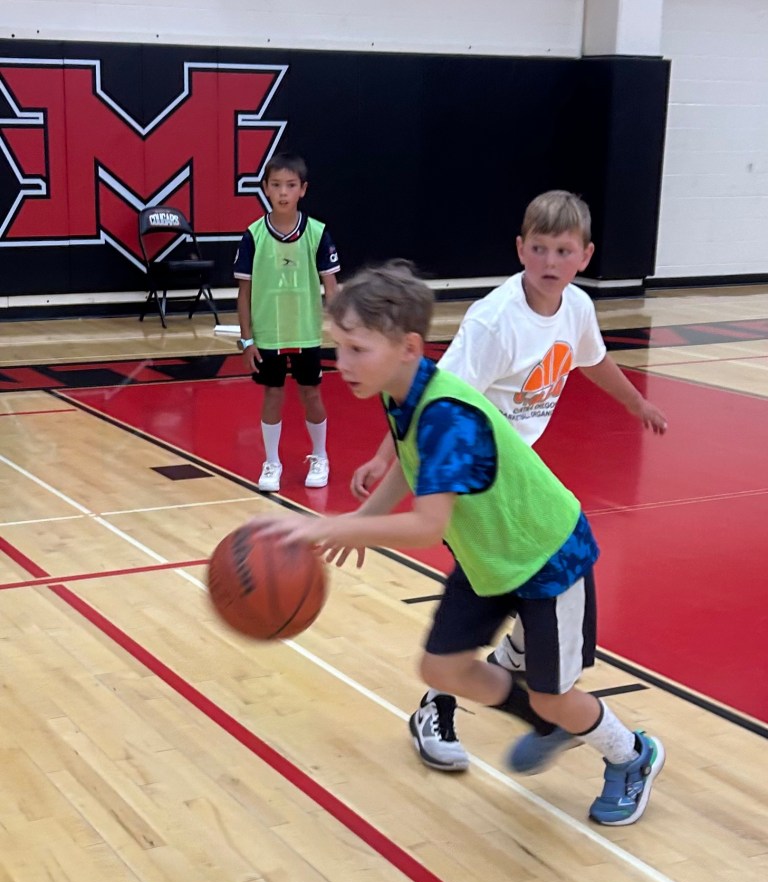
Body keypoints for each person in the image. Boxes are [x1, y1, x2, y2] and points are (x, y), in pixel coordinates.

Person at [252, 260, 665, 827]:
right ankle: (546, 724)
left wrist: (333, 526)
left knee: (555, 694)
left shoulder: (447, 411)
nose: (340, 363)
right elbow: (407, 456)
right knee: (442, 668)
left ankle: (631, 753)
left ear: (408, 346)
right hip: (489, 554)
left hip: (546, 555)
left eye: (355, 349)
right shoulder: (401, 389)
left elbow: (426, 524)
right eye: (338, 347)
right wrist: (366, 515)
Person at [350, 191, 668, 774]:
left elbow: (592, 360)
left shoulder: (575, 308)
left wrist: (635, 402)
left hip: (517, 488)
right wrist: (380, 464)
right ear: (520, 249)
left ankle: (539, 705)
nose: (550, 261)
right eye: (539, 248)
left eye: (563, 250)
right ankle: (457, 704)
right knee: (488, 609)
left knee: (514, 600)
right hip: (470, 479)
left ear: (584, 256)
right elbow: (428, 398)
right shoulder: (494, 322)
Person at [234, 152, 341, 492]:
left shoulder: (317, 233)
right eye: (276, 185)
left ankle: (321, 456)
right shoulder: (253, 236)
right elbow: (244, 293)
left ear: (303, 190)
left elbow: (331, 288)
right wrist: (247, 340)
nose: (283, 192)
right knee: (272, 395)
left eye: (290, 186)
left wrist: (341, 333)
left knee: (311, 394)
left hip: (306, 333)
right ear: (265, 188)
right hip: (268, 335)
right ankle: (271, 463)